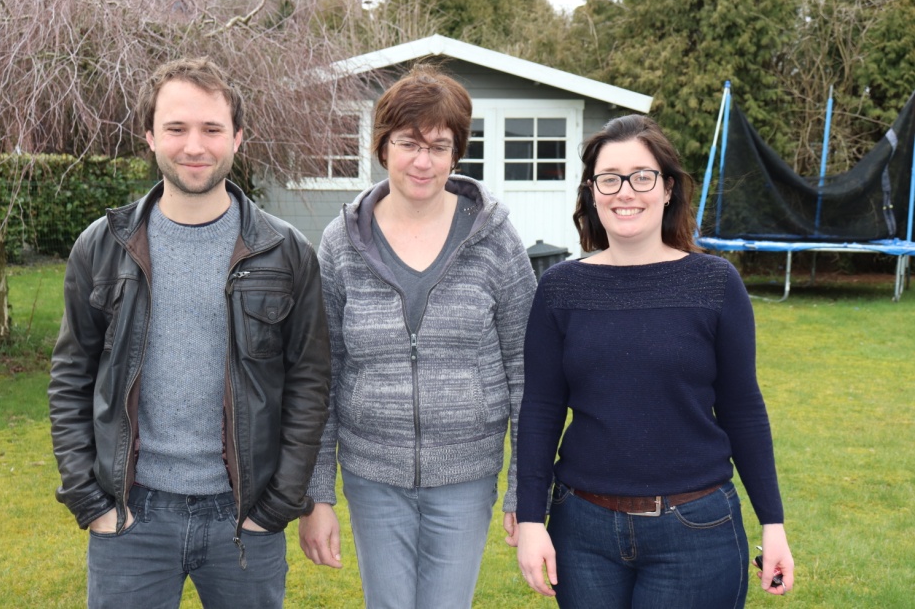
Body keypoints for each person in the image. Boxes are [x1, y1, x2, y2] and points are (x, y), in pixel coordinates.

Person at [48, 57, 331, 608]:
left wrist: (276, 506)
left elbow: (309, 385)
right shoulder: (101, 247)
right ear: (150, 135)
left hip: (243, 519)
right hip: (131, 518)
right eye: (176, 128)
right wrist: (90, 500)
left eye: (211, 129)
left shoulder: (287, 252)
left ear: (238, 137)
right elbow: (70, 377)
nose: (194, 146)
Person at [515, 114, 795, 607]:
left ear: (667, 189)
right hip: (582, 533)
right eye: (610, 179)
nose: (626, 191)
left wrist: (773, 524)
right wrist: (532, 519)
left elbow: (743, 407)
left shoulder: (715, 283)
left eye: (641, 177)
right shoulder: (559, 288)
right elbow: (540, 409)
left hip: (696, 531)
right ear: (592, 192)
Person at [298, 65, 537, 608]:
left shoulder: (495, 240)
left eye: (439, 145)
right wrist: (318, 493)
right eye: (408, 142)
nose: (422, 161)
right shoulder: (342, 242)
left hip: (466, 476)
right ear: (383, 147)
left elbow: (529, 371)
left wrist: (527, 487)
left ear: (457, 154)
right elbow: (321, 372)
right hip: (371, 475)